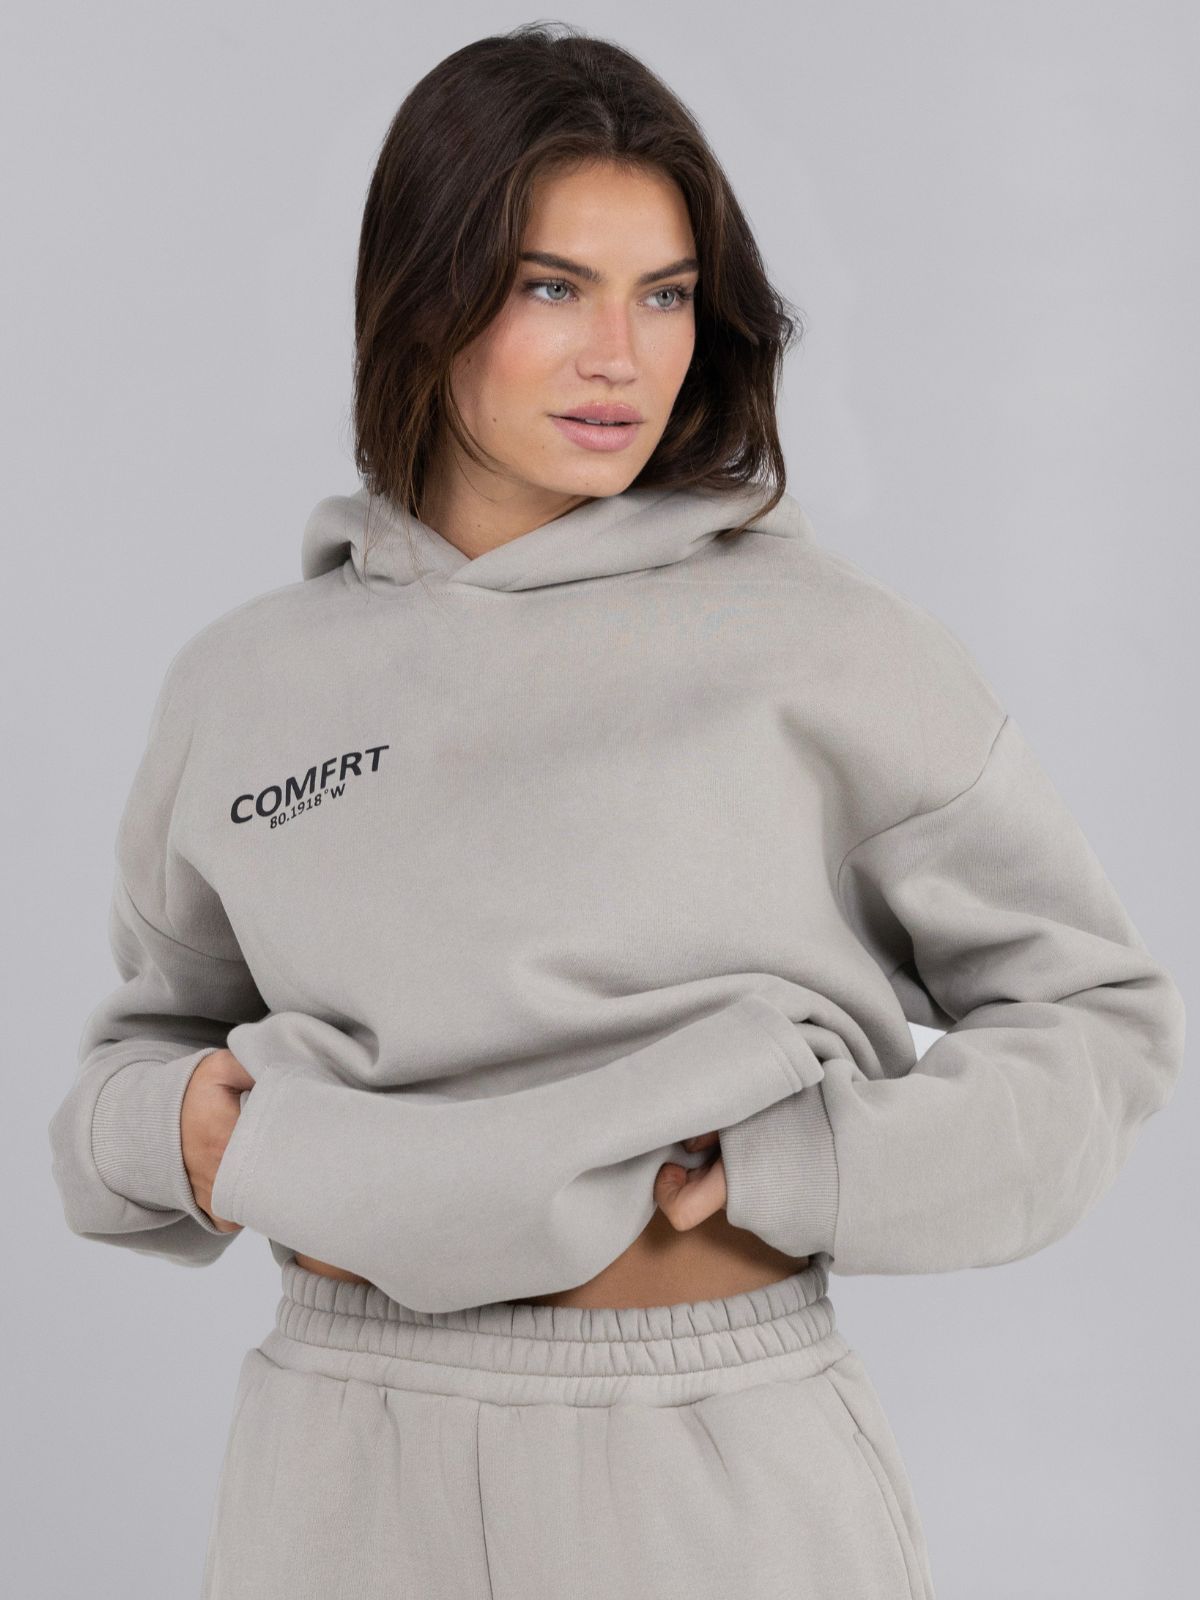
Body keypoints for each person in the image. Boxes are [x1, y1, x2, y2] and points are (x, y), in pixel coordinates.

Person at [47, 22, 1185, 1600]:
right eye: (551, 288)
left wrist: (823, 1164)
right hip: (337, 1458)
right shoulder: (247, 684)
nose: (622, 356)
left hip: (705, 1452)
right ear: (421, 296)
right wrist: (155, 1131)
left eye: (664, 294)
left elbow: (1099, 1017)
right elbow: (147, 1043)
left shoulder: (828, 647)